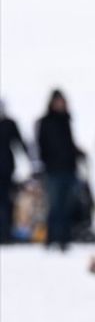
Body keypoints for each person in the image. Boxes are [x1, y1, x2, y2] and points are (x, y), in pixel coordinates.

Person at [35, 89, 85, 251]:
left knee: (67, 206)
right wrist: (47, 163)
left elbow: (69, 144)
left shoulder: (66, 120)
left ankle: (64, 239)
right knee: (55, 206)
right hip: (53, 170)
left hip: (69, 169)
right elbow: (41, 146)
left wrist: (77, 154)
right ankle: (51, 239)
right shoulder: (45, 121)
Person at [0, 98, 28, 243]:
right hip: (7, 168)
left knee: (6, 202)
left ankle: (5, 234)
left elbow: (20, 143)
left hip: (6, 171)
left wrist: (32, 161)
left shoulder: (9, 124)